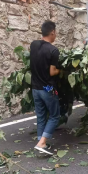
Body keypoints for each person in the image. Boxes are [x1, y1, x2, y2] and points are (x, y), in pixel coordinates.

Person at [30, 21, 60, 155]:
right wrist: (62, 71)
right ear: (52, 32)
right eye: (56, 33)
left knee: (41, 116)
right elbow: (52, 72)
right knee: (54, 116)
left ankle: (40, 142)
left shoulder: (33, 45)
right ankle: (42, 143)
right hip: (47, 89)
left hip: (35, 88)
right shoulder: (54, 50)